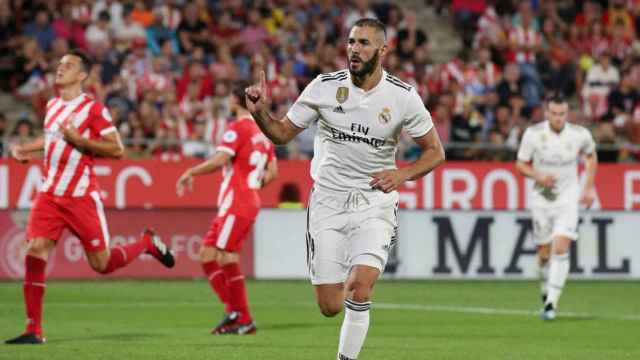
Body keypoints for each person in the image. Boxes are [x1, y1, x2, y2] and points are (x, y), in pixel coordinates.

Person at [245, 18, 445, 360]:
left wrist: (402, 175)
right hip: (327, 202)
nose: (354, 49)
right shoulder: (323, 87)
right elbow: (280, 135)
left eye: (364, 43)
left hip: (374, 202)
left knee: (360, 286)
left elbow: (435, 152)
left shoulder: (402, 96)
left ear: (383, 50)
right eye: (351, 42)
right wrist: (261, 114)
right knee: (330, 306)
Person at [6, 50, 175, 345]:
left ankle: (146, 244)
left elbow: (118, 149)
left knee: (102, 264)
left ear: (82, 75)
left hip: (81, 196)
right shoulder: (53, 105)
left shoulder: (93, 110)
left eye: (68, 66)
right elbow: (51, 141)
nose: (60, 69)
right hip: (49, 194)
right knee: (35, 250)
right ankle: (33, 330)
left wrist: (81, 141)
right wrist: (25, 149)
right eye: (59, 64)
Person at [176, 81, 277, 335]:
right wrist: (254, 181)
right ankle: (234, 312)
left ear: (234, 100)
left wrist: (191, 171)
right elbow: (273, 172)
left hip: (237, 201)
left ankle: (242, 317)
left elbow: (221, 159)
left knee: (226, 257)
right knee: (207, 255)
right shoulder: (264, 132)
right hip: (244, 199)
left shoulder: (238, 128)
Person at [516, 93, 598, 321]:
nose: (558, 118)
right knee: (543, 254)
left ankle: (551, 303)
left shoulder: (579, 135)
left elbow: (591, 157)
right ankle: (545, 290)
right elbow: (521, 164)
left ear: (567, 114)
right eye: (554, 113)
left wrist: (589, 187)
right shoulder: (533, 135)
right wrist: (538, 176)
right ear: (546, 112)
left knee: (560, 248)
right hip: (541, 199)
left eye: (562, 114)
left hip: (567, 198)